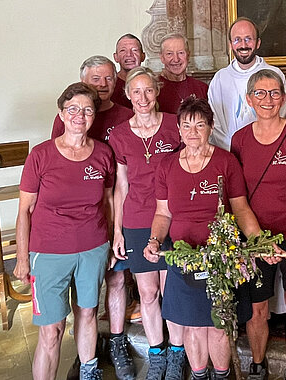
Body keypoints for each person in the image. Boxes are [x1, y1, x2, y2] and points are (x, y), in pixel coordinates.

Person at [144, 97, 271, 380]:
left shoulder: (225, 162)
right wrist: (154, 241)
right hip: (184, 259)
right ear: (178, 129)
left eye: (200, 125)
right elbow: (163, 214)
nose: (192, 132)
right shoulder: (166, 165)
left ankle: (222, 375)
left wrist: (260, 241)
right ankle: (200, 375)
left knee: (218, 324)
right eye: (186, 125)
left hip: (220, 260)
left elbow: (240, 208)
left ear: (210, 128)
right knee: (192, 326)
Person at [14, 82, 115, 380]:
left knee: (87, 314)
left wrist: (108, 243)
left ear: (94, 116)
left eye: (86, 110)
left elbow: (108, 202)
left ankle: (88, 371)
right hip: (48, 253)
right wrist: (22, 258)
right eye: (72, 109)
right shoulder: (41, 155)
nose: (79, 116)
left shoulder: (103, 154)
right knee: (52, 330)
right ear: (61, 114)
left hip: (92, 248)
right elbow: (24, 210)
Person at [230, 70, 286, 380]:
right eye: (260, 93)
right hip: (256, 241)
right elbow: (237, 197)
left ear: (284, 98)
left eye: (274, 93)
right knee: (257, 309)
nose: (268, 100)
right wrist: (256, 241)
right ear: (249, 99)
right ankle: (257, 363)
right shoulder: (239, 140)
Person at [108, 67, 185, 380]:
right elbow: (121, 185)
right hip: (138, 221)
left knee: (173, 290)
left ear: (157, 92)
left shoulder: (173, 125)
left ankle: (178, 353)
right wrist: (117, 231)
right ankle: (157, 352)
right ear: (127, 95)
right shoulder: (120, 135)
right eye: (136, 92)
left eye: (148, 90)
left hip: (173, 218)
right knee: (148, 293)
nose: (143, 98)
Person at [207, 17, 286, 151]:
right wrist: (234, 148)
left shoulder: (274, 75)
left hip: (269, 152)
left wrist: (265, 147)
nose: (243, 45)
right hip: (230, 152)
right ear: (230, 44)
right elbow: (214, 123)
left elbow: (283, 116)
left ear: (258, 43)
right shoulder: (220, 79)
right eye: (237, 39)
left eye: (248, 39)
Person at [51, 55, 134, 143]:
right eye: (96, 79)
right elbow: (55, 151)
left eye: (108, 79)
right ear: (83, 81)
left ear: (115, 82)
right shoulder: (69, 116)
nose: (103, 84)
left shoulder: (128, 117)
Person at [157, 33, 209, 114]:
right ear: (162, 58)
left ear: (188, 55)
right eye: (169, 54)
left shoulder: (202, 88)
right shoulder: (154, 88)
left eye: (181, 53)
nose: (176, 59)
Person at [112, 34, 146, 109]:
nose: (129, 54)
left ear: (143, 56)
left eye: (134, 50)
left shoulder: (152, 83)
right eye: (123, 50)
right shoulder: (110, 85)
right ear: (116, 57)